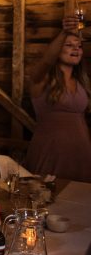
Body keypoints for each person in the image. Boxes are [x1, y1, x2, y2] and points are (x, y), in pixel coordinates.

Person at [25, 15, 91, 182]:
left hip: (81, 153)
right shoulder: (41, 79)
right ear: (56, 49)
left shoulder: (82, 82)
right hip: (50, 152)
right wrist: (64, 32)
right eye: (68, 45)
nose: (75, 49)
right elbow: (47, 61)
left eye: (79, 46)